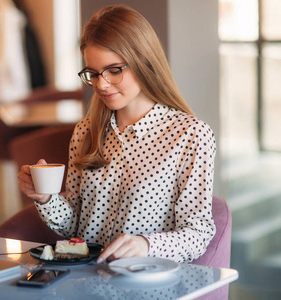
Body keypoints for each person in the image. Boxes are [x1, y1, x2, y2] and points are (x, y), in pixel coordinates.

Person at [17, 5, 216, 264]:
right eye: (93, 73)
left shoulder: (191, 135)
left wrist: (146, 244)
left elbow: (198, 234)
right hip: (83, 280)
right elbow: (74, 227)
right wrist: (45, 198)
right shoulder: (85, 132)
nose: (101, 84)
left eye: (114, 70)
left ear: (144, 61)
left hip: (143, 284)